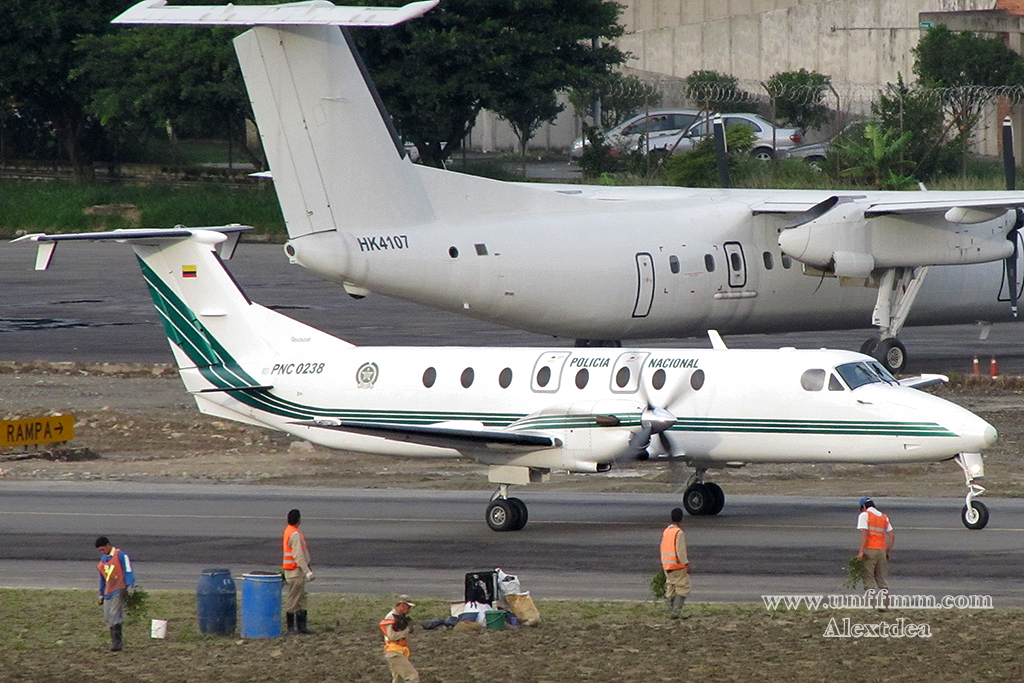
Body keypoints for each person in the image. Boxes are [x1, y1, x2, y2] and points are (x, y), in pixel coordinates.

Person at [95, 536, 135, 652]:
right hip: (108, 591)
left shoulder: (121, 555)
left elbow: (128, 571)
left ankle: (117, 643)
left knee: (115, 614)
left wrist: (130, 585)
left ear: (108, 546)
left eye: (103, 549)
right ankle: (114, 640)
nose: (102, 552)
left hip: (120, 589)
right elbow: (103, 578)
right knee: (107, 617)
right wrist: (101, 593)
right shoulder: (103, 560)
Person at [282, 508, 315, 634]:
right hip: (295, 572)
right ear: (299, 519)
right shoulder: (295, 534)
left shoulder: (289, 531)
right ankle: (291, 628)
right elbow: (298, 556)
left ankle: (302, 627)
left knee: (301, 599)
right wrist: (307, 572)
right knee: (294, 599)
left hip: (294, 571)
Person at [857, 497, 895, 603]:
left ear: (864, 506)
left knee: (868, 578)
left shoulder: (865, 515)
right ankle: (885, 604)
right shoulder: (884, 517)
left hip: (869, 550)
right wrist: (887, 551)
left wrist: (861, 551)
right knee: (882, 579)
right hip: (881, 551)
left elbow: (865, 533)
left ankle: (871, 605)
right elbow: (892, 536)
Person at [379, 595, 419, 683]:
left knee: (398, 679)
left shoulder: (398, 617)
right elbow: (392, 636)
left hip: (397, 651)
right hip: (394, 652)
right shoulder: (391, 617)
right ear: (401, 605)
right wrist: (407, 631)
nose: (409, 609)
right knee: (412, 677)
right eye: (407, 606)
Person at [660, 507, 691, 619]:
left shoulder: (666, 531)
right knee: (683, 587)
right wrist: (686, 564)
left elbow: (663, 547)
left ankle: (671, 610)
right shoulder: (679, 532)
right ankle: (676, 612)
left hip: (667, 565)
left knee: (671, 588)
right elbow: (680, 551)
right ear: (681, 519)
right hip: (677, 565)